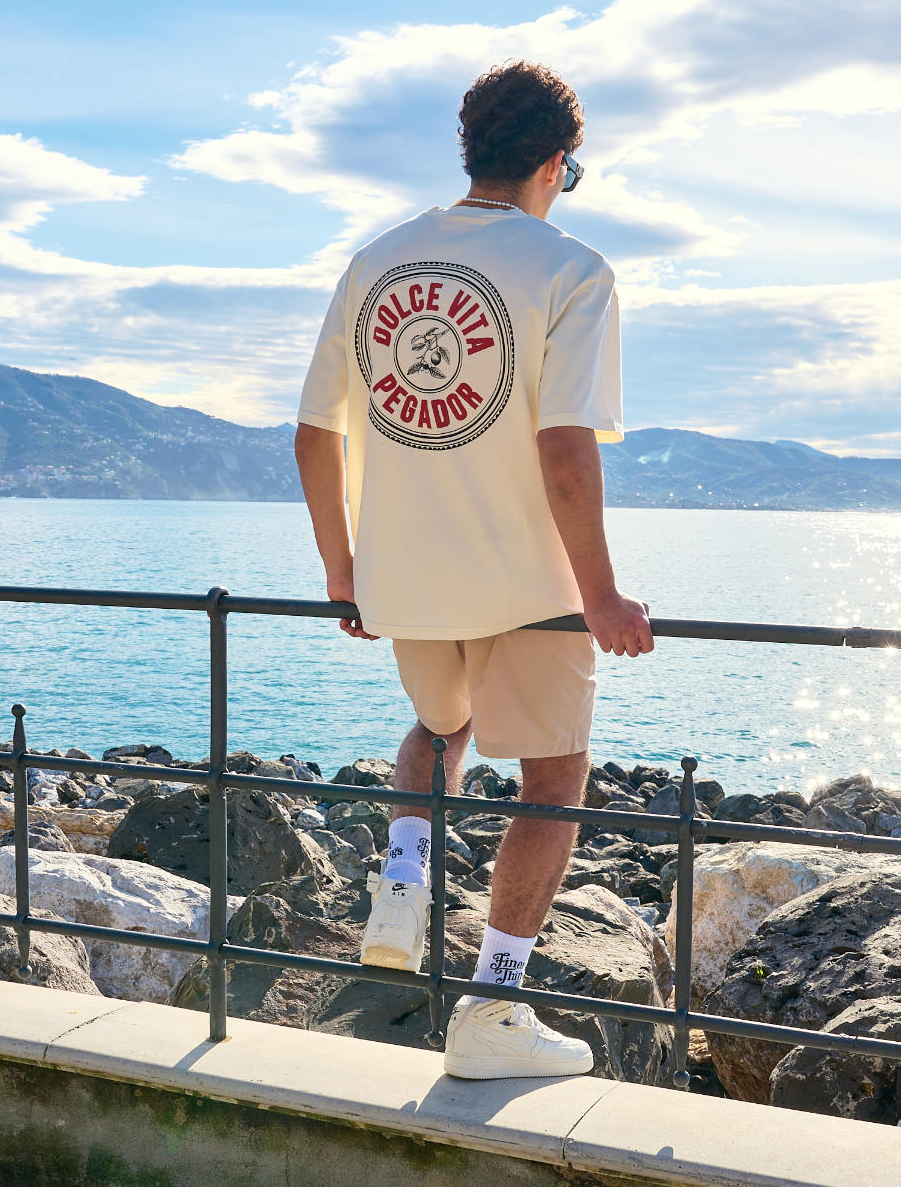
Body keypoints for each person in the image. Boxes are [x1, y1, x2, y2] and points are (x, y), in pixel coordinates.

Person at [295, 60, 654, 1080]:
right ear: (554, 163)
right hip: (530, 589)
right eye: (569, 173)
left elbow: (314, 435)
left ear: (470, 151)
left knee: (440, 726)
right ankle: (492, 1006)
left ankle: (403, 877)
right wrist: (600, 594)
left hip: (405, 580)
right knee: (554, 774)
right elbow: (563, 446)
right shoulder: (571, 270)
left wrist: (343, 571)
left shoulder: (376, 261)